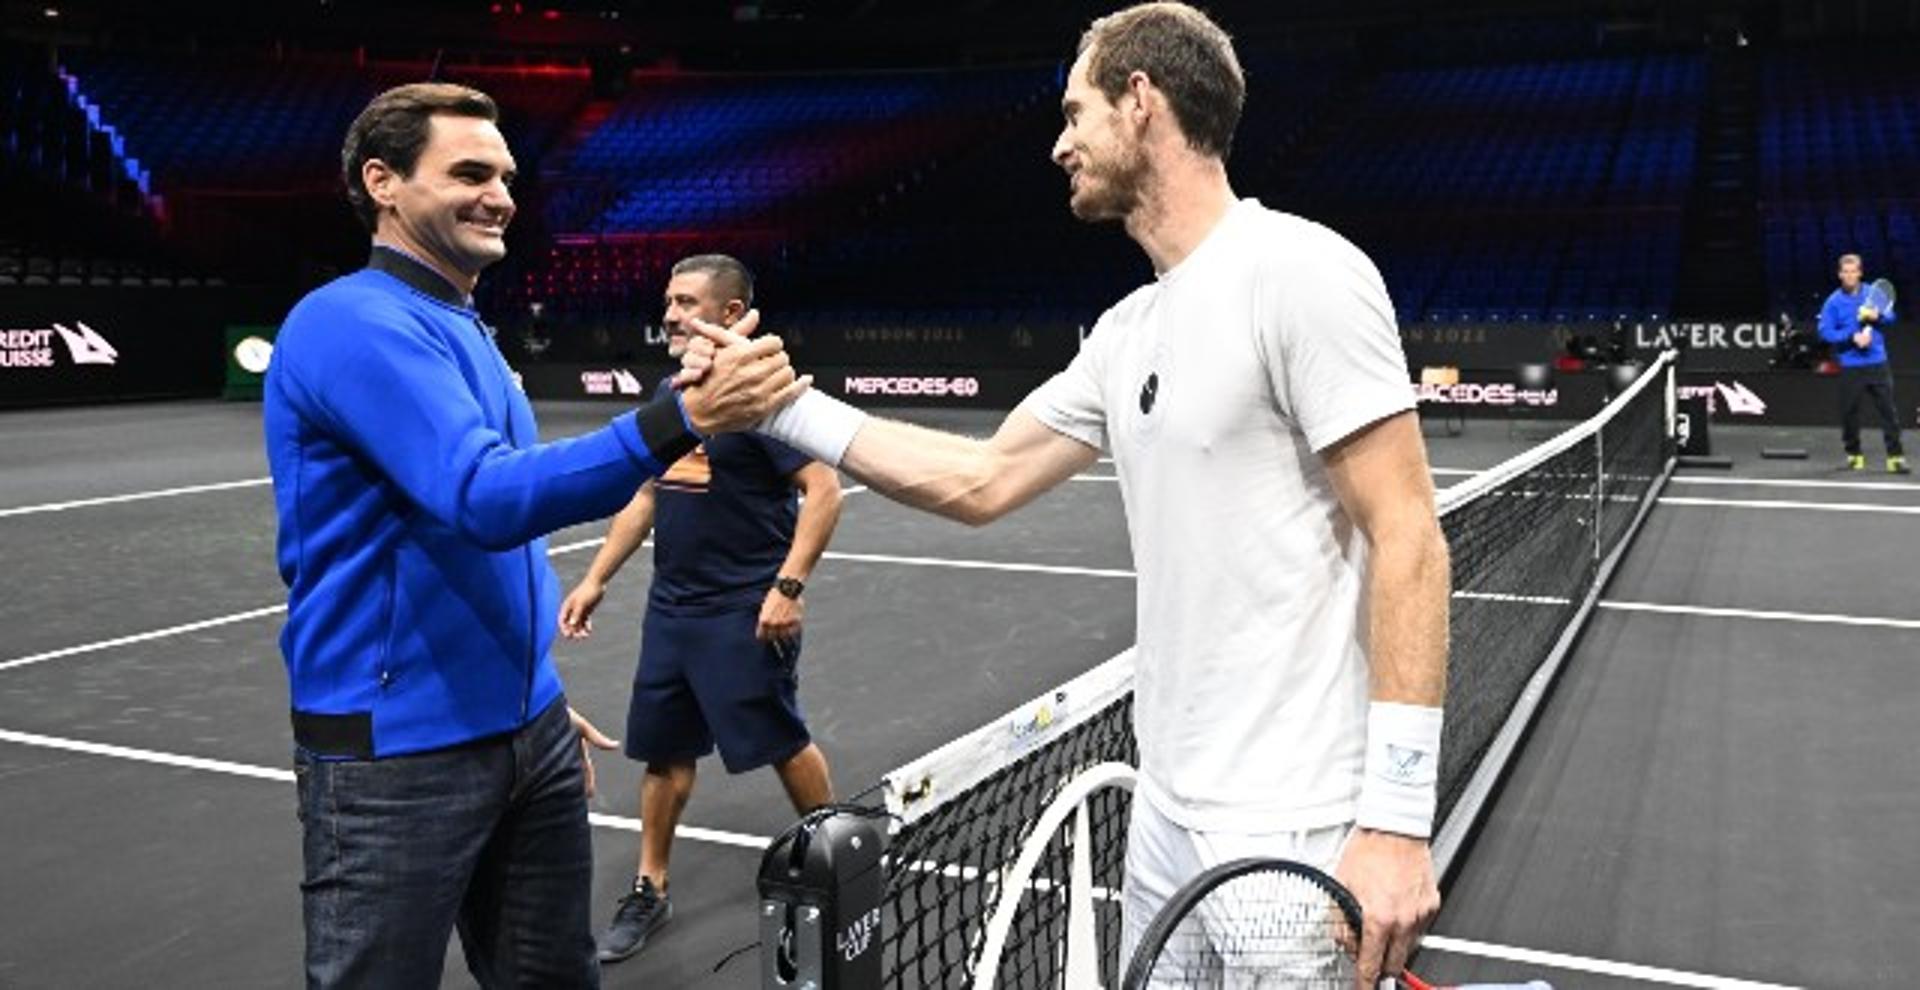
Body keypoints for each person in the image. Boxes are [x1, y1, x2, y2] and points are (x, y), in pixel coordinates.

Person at [686, 4, 1448, 984]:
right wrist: (783, 406)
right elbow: (982, 478)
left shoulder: (1300, 274)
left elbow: (1410, 537)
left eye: (1074, 111)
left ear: (1141, 103)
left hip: (1292, 827)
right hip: (1165, 815)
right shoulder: (1128, 329)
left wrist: (1394, 818)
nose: (1058, 144)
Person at [263, 83, 805, 987]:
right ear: (383, 183)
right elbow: (484, 498)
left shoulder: (458, 324)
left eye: (507, 175)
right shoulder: (350, 322)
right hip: (400, 755)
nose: (501, 194)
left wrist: (532, 698)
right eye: (469, 172)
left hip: (526, 733)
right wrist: (679, 420)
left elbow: (495, 530)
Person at [556, 255, 844, 963]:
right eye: (667, 299)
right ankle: (650, 887)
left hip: (744, 610)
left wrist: (788, 587)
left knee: (780, 740)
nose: (669, 312)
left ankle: (842, 857)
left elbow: (825, 489)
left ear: (728, 311)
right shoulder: (674, 391)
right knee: (664, 753)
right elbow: (650, 492)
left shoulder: (763, 395)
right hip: (672, 610)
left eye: (685, 302)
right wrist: (596, 577)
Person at [1817, 253, 1908, 473]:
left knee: (1888, 412)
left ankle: (1895, 458)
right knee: (1849, 413)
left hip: (1877, 362)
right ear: (1840, 274)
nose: (1850, 275)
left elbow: (1891, 317)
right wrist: (1852, 337)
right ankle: (1854, 456)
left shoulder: (1873, 293)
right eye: (1845, 272)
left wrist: (1878, 317)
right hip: (1851, 365)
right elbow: (1824, 332)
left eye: (1853, 271)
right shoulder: (1833, 302)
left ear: (1860, 272)